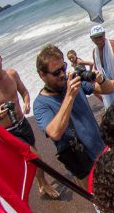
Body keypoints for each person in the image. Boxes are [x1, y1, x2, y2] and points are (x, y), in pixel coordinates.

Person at [0, 47, 60, 199]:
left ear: (1, 58)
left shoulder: (12, 74)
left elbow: (24, 92)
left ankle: (40, 182)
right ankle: (44, 184)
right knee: (34, 155)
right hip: (9, 131)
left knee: (33, 151)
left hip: (22, 123)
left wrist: (26, 103)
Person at [33, 43, 105, 189]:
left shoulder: (72, 81)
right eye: (55, 72)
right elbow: (54, 132)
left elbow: (107, 89)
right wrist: (69, 96)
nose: (62, 75)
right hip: (82, 164)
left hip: (102, 150)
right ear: (42, 74)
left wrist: (100, 79)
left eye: (63, 68)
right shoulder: (40, 105)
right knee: (100, 202)